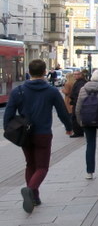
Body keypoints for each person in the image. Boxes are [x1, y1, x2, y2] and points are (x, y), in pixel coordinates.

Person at [4, 58, 75, 213]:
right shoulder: (51, 91)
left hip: (24, 133)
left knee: (30, 164)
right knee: (42, 167)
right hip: (43, 133)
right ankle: (31, 190)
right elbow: (63, 112)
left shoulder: (19, 90)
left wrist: (7, 129)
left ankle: (34, 197)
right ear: (45, 73)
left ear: (29, 72)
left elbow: (8, 113)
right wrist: (69, 127)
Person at [63, 70, 87, 136]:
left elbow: (77, 93)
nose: (75, 76)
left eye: (77, 74)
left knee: (75, 117)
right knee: (75, 117)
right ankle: (78, 131)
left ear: (80, 75)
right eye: (74, 74)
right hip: (76, 102)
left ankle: (78, 132)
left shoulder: (80, 83)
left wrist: (74, 100)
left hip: (77, 102)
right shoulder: (78, 82)